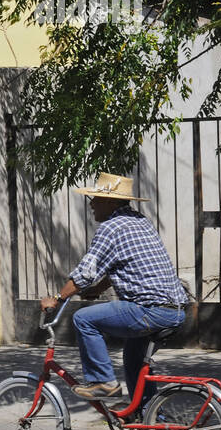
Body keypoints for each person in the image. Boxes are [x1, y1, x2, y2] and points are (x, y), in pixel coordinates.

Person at [39, 173, 189, 404]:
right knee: (134, 359)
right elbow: (120, 264)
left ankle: (103, 382)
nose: (91, 204)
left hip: (149, 309)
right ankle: (150, 419)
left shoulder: (111, 227)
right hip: (174, 310)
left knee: (83, 319)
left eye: (96, 198)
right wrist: (97, 289)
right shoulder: (139, 221)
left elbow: (86, 272)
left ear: (110, 202)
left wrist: (57, 298)